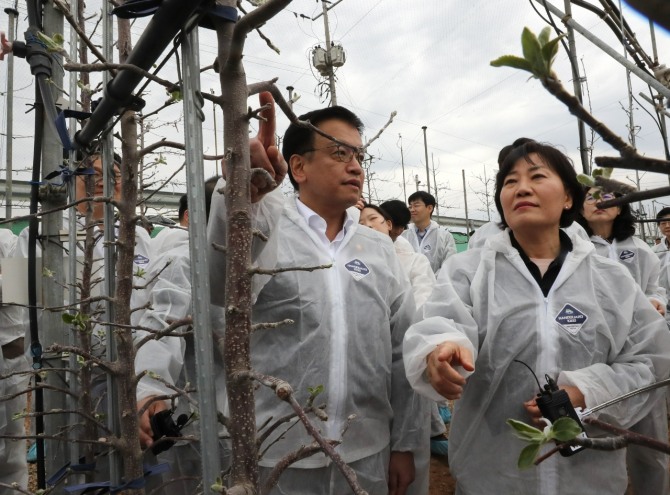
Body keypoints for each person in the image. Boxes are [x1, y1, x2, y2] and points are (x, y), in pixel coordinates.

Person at [403, 141, 670, 494]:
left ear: (568, 198)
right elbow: (440, 323)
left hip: (589, 480)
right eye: (510, 181)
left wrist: (586, 391)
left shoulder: (611, 279)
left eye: (537, 176)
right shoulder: (468, 271)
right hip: (493, 475)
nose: (522, 188)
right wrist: (440, 349)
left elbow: (651, 360)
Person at [208, 100, 426, 495]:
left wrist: (405, 443)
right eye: (340, 153)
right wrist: (240, 200)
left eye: (359, 156)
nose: (356, 166)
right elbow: (219, 285)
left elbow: (402, 350)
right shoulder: (267, 228)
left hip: (366, 449)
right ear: (298, 167)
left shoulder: (378, 250)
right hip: (273, 449)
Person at [133, 177, 221, 494]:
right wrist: (151, 387)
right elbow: (162, 324)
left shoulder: (242, 258)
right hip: (195, 419)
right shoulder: (184, 260)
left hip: (234, 412)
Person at [578, 187, 669, 494]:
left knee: (650, 439)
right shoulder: (575, 248)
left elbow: (655, 288)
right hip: (596, 351)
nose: (599, 203)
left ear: (620, 207)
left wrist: (656, 301)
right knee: (599, 430)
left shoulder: (640, 249)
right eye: (591, 197)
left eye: (608, 198)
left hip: (641, 350)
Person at [0, 227, 29, 493]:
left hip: (9, 357)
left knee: (12, 449)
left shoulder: (6, 239)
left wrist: (8, 280)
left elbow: (21, 284)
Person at [402, 191, 456, 273]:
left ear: (430, 208)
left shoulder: (444, 236)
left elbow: (449, 265)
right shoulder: (403, 235)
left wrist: (432, 280)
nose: (412, 210)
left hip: (437, 281)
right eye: (410, 206)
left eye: (416, 205)